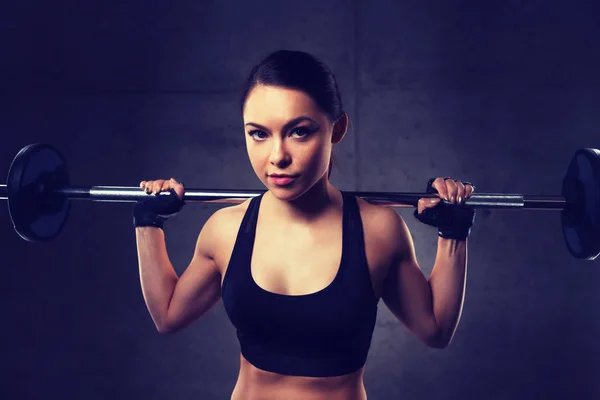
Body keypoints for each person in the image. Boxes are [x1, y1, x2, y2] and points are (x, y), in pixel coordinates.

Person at [133, 50, 476, 400]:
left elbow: (435, 330)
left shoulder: (378, 230)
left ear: (336, 129)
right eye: (259, 134)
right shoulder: (226, 229)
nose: (277, 156)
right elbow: (169, 315)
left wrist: (453, 233)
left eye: (298, 132)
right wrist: (148, 221)